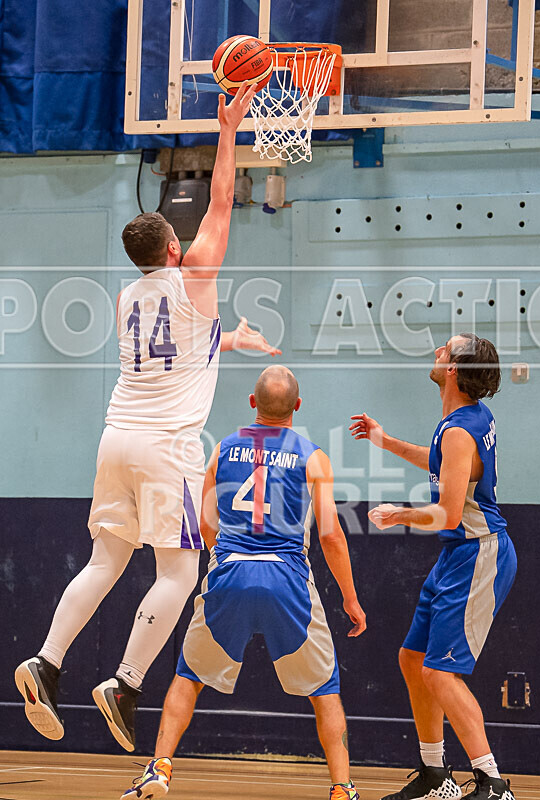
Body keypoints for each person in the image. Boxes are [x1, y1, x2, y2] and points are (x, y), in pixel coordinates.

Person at [14, 83, 282, 753]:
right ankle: (125, 683)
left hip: (116, 438)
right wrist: (229, 129)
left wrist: (229, 338)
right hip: (167, 447)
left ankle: (47, 661)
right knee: (179, 572)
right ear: (172, 250)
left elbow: (178, 348)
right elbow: (221, 201)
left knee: (105, 559)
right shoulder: (195, 277)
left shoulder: (128, 298)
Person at [121, 365, 367, 800]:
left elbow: (205, 523)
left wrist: (225, 560)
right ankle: (342, 788)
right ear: (298, 406)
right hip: (287, 577)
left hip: (230, 570)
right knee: (325, 690)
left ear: (253, 403)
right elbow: (330, 535)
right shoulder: (313, 456)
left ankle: (159, 767)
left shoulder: (222, 450)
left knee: (188, 676)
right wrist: (350, 597)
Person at [350, 334, 517, 800]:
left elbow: (446, 513)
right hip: (457, 555)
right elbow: (445, 465)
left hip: (478, 553)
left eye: (445, 349)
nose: (437, 352)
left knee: (441, 673)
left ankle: (492, 783)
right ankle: (435, 774)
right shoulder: (465, 419)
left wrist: (399, 515)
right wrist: (386, 442)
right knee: (413, 660)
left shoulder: (461, 429)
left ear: (454, 370)